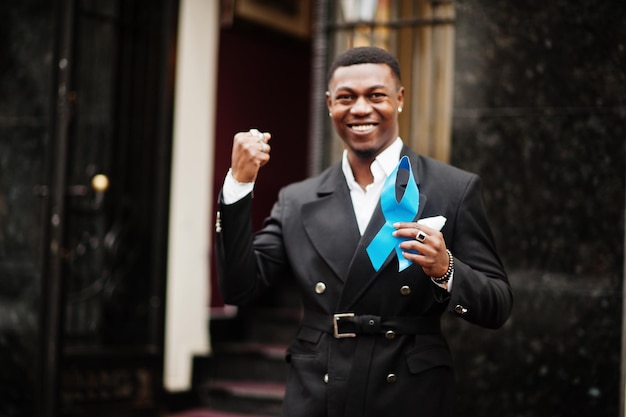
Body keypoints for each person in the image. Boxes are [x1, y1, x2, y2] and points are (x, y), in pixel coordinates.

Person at [215, 46, 513, 417]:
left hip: (408, 392)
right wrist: (238, 186)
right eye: (345, 98)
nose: (359, 109)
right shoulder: (297, 200)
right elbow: (239, 287)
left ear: (399, 99)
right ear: (328, 104)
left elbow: (497, 305)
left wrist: (446, 268)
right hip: (318, 393)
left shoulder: (453, 189)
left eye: (375, 95)